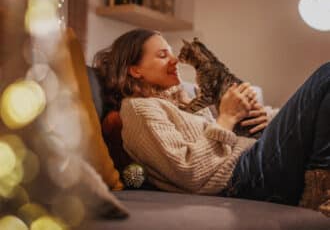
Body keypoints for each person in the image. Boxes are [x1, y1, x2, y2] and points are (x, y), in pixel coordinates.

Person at [94, 28, 330, 216]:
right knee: (326, 75)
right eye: (162, 55)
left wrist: (266, 118)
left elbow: (223, 139)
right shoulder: (139, 108)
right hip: (241, 178)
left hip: (252, 158)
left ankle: (318, 188)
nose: (175, 59)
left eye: (171, 52)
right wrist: (226, 118)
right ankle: (319, 191)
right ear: (135, 70)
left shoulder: (184, 99)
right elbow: (188, 172)